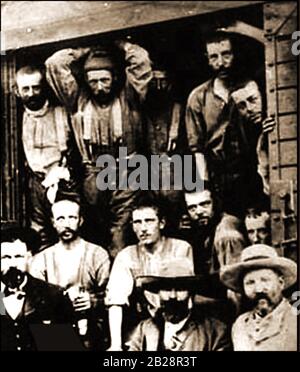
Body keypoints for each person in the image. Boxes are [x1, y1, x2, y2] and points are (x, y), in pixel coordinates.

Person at [45, 40, 152, 257]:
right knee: (94, 233)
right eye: (93, 81)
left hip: (128, 174)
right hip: (93, 176)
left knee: (120, 233)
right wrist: (83, 50)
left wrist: (119, 45)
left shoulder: (130, 97)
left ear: (114, 78)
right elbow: (54, 64)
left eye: (104, 80)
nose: (99, 87)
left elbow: (140, 60)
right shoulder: (78, 100)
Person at [185, 30, 272, 216]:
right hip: (220, 176)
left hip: (252, 170)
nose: (221, 63)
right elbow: (197, 148)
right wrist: (204, 184)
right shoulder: (198, 97)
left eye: (226, 54)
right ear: (207, 59)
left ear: (235, 54)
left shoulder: (251, 88)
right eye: (214, 57)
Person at [105, 195, 194, 351]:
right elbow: (116, 302)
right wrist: (115, 345)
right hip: (147, 323)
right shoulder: (127, 255)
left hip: (180, 318)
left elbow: (188, 295)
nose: (143, 228)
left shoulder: (181, 247)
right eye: (137, 222)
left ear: (161, 223)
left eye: (149, 221)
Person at [29, 191, 110, 350]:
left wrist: (93, 301)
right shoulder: (42, 259)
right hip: (54, 328)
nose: (66, 224)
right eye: (60, 218)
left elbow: (111, 295)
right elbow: (34, 300)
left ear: (80, 221)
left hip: (92, 327)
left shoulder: (97, 254)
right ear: (53, 222)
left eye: (72, 218)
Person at [15, 65, 78, 250]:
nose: (32, 93)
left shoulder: (61, 112)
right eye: (25, 89)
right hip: (35, 183)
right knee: (39, 234)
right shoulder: (16, 117)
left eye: (36, 87)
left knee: (68, 230)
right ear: (17, 91)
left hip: (63, 182)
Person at [127, 257, 231, 351]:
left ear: (191, 292)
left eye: (180, 288)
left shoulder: (215, 331)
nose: (173, 296)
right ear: (158, 292)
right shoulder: (145, 328)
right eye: (167, 289)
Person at [1, 226, 74, 351]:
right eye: (6, 257)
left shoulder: (52, 296)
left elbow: (63, 347)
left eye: (19, 257)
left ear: (30, 258)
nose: (13, 263)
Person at [220, 244, 297, 351]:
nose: (259, 289)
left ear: (281, 283)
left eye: (265, 280)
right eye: (250, 282)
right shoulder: (240, 325)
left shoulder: (295, 320)